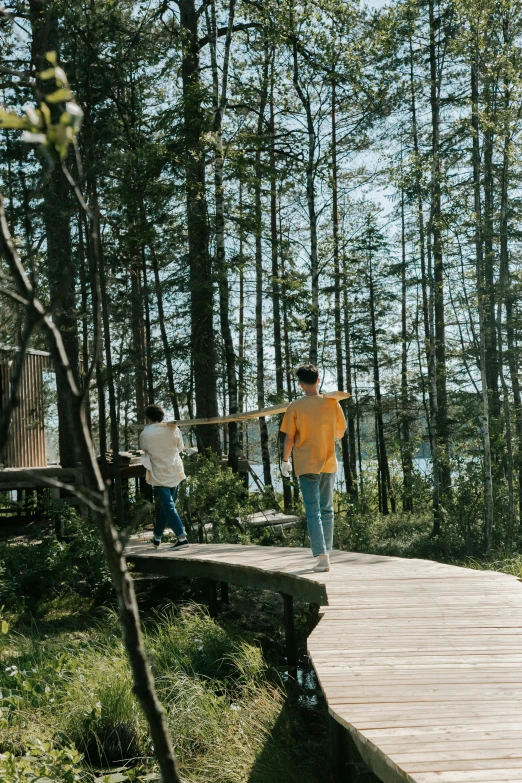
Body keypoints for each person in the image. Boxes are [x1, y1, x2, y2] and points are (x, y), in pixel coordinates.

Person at [280, 365, 346, 572]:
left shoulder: (295, 407)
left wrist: (284, 460)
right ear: (318, 380)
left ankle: (322, 557)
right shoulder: (332, 403)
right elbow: (339, 434)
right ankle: (327, 553)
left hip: (306, 463)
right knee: (327, 510)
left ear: (300, 385)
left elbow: (289, 437)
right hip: (328, 463)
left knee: (313, 511)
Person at [139, 404, 189, 550]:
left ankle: (181, 537)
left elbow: (145, 449)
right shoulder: (173, 428)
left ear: (148, 418)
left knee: (168, 506)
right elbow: (180, 448)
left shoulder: (145, 433)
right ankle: (157, 537)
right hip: (174, 470)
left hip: (159, 472)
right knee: (169, 506)